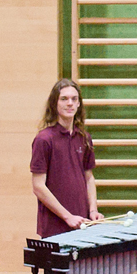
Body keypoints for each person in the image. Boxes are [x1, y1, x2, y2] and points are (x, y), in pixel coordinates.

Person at [29, 78, 101, 240]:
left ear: (79, 104)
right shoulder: (44, 139)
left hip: (82, 223)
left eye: (74, 99)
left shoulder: (84, 137)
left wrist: (93, 210)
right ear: (55, 103)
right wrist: (68, 216)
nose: (70, 103)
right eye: (64, 99)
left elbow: (89, 178)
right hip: (55, 226)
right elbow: (38, 186)